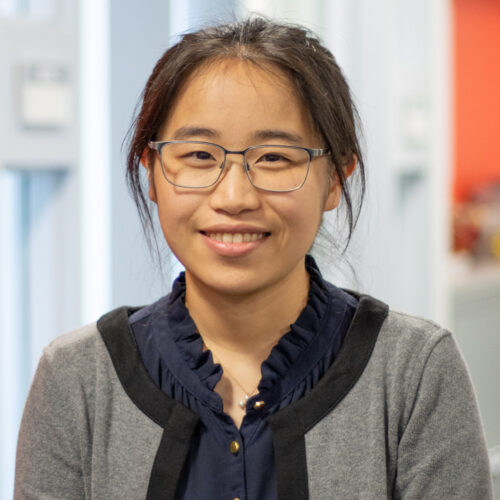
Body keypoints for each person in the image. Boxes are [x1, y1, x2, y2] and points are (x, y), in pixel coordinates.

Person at [15, 18, 492, 500]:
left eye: (275, 158)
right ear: (152, 171)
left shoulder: (414, 371)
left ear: (335, 179)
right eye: (199, 155)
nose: (234, 195)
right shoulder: (77, 379)